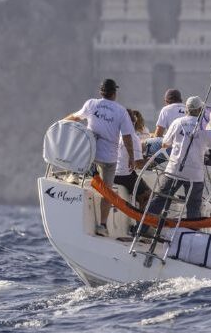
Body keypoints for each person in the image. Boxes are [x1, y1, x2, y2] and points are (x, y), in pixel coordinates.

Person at [153, 95, 211, 220]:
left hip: (173, 169)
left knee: (160, 199)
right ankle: (191, 233)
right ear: (200, 110)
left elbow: (165, 143)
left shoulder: (177, 122)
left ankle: (143, 225)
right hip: (194, 174)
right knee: (193, 206)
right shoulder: (205, 127)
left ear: (187, 109)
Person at [64, 78, 134, 237]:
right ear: (114, 93)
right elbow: (128, 136)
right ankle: (102, 225)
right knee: (107, 193)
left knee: (81, 158)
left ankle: (74, 176)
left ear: (101, 92)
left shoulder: (91, 104)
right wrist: (132, 157)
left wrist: (60, 124)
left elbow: (75, 118)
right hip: (109, 158)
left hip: (91, 153)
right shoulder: (121, 111)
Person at [114, 109, 152, 211]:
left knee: (139, 192)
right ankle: (141, 223)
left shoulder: (114, 132)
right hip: (124, 175)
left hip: (111, 171)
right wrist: (150, 160)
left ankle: (137, 217)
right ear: (133, 122)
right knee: (148, 196)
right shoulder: (134, 138)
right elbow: (138, 165)